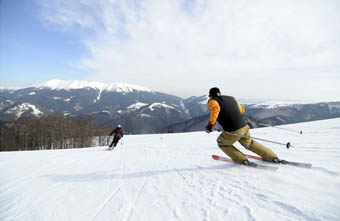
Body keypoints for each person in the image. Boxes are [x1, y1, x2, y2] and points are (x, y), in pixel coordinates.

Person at [205, 87, 278, 165]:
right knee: (248, 143)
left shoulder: (213, 101)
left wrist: (210, 125)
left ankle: (242, 160)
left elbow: (215, 111)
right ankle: (272, 157)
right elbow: (242, 110)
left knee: (222, 143)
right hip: (244, 126)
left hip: (233, 130)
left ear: (211, 96)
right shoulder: (231, 98)